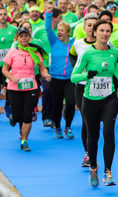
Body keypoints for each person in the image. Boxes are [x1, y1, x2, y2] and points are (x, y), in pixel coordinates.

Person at [71, 20, 118, 188]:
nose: (105, 33)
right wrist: (86, 75)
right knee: (93, 135)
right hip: (90, 100)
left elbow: (116, 69)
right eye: (101, 30)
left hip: (109, 98)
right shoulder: (87, 53)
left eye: (108, 31)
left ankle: (108, 171)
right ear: (94, 33)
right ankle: (94, 166)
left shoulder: (114, 52)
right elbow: (74, 76)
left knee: (109, 132)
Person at [3, 27, 51, 151]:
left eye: (26, 36)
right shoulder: (12, 51)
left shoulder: (35, 51)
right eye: (21, 36)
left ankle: (24, 141)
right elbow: (4, 69)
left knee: (27, 116)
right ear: (17, 38)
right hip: (15, 87)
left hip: (31, 87)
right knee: (18, 116)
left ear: (29, 37)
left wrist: (45, 74)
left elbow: (42, 67)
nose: (24, 38)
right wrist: (12, 78)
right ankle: (14, 116)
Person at [69, 13, 99, 167]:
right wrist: (78, 69)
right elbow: (72, 56)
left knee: (95, 121)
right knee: (86, 120)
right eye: (89, 25)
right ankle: (88, 154)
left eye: (95, 25)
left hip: (100, 87)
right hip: (81, 87)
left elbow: (116, 59)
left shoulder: (105, 44)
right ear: (84, 27)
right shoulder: (78, 43)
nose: (92, 28)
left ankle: (92, 149)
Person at [45, 8, 76, 139]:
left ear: (68, 33)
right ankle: (57, 127)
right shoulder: (54, 41)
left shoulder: (74, 43)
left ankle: (67, 127)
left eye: (62, 30)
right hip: (55, 78)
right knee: (57, 104)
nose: (59, 32)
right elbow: (48, 28)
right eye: (58, 30)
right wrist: (48, 14)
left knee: (70, 103)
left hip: (70, 79)